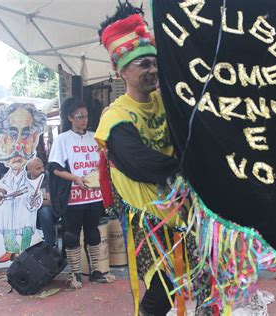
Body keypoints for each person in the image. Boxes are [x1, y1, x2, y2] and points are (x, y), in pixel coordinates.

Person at [95, 6, 193, 315]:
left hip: (185, 214)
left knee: (191, 285)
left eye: (154, 62)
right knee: (161, 293)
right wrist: (195, 165)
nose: (152, 69)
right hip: (150, 223)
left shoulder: (167, 101)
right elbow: (140, 163)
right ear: (122, 71)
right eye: (143, 64)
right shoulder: (115, 117)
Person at [48, 97, 114, 289]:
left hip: (94, 195)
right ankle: (76, 274)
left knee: (93, 233)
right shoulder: (62, 139)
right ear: (70, 117)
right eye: (79, 116)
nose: (84, 120)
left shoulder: (94, 137)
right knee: (71, 234)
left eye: (85, 116)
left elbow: (103, 163)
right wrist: (75, 178)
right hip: (74, 196)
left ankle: (96, 272)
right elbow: (54, 168)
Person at [0, 103, 47, 263]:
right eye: (13, 134)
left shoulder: (30, 181)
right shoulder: (1, 182)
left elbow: (34, 203)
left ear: (34, 138)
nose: (18, 145)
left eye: (25, 135)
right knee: (5, 220)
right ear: (3, 139)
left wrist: (34, 199)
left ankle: (25, 251)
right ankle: (10, 250)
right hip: (7, 206)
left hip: (25, 213)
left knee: (27, 226)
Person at [27, 157, 58, 247]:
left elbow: (50, 201)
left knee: (45, 211)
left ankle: (50, 244)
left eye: (42, 167)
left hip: (48, 211)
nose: (42, 170)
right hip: (30, 212)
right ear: (29, 169)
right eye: (38, 168)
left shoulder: (47, 176)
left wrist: (32, 203)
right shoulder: (25, 179)